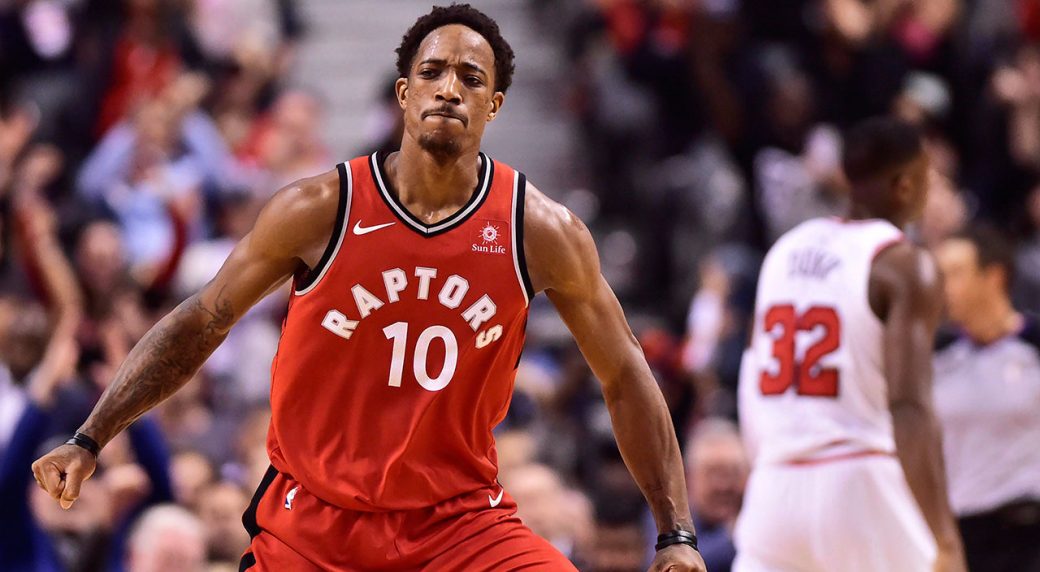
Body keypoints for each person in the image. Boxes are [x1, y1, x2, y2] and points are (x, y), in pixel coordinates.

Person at [31, 5, 705, 571]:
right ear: (403, 94)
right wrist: (90, 437)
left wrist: (675, 532)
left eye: (471, 78)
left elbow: (624, 372)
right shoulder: (320, 208)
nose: (449, 89)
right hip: (315, 520)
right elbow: (203, 320)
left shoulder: (540, 230)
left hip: (457, 524)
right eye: (432, 72)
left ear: (494, 105)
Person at [734, 117, 966, 571]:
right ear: (905, 184)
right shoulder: (903, 264)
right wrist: (943, 534)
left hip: (774, 484)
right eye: (929, 176)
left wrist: (767, 465)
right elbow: (909, 407)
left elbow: (750, 381)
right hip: (859, 477)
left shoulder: (783, 250)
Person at [933, 225, 1040, 572]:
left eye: (955, 274)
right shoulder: (936, 356)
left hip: (1027, 530)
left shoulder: (1033, 345)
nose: (943, 287)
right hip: (961, 533)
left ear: (994, 277)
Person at [685, 419, 748, 572]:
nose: (723, 486)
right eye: (713, 473)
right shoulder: (665, 516)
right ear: (688, 478)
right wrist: (732, 534)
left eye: (733, 473)